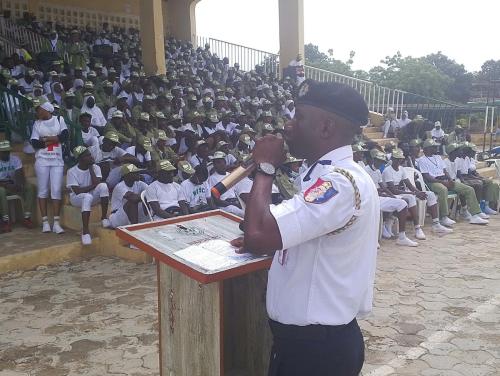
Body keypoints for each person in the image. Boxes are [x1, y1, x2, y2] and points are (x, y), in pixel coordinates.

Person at [230, 80, 379, 375]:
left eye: (298, 117)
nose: (287, 125)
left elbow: (259, 234)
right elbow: (307, 246)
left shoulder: (339, 183)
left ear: (325, 128)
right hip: (305, 346)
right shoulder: (322, 175)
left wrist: (266, 167)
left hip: (317, 353)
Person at [417, 139, 488, 226]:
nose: (436, 148)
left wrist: (450, 179)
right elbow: (427, 177)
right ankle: (444, 217)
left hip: (444, 179)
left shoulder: (438, 157)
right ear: (427, 148)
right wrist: (443, 182)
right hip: (433, 182)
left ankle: (475, 215)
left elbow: (445, 171)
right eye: (434, 147)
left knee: (468, 189)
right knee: (443, 189)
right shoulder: (422, 160)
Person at [383, 148, 452, 236]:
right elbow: (393, 190)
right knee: (411, 198)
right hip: (392, 193)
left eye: (400, 159)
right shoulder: (387, 170)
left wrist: (418, 192)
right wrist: (414, 193)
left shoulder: (401, 169)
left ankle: (436, 224)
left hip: (402, 192)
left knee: (430, 194)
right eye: (396, 159)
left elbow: (409, 185)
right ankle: (417, 228)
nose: (398, 161)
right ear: (392, 159)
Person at [365, 149, 418, 246]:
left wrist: (391, 196)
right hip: (370, 198)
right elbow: (367, 189)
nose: (380, 163)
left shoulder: (377, 171)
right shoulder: (365, 170)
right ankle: (373, 239)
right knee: (374, 210)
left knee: (402, 203)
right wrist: (382, 193)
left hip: (380, 196)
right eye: (378, 161)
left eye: (382, 162)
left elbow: (383, 187)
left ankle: (402, 237)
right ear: (373, 159)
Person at [30, 101, 67, 234]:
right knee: (43, 190)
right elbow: (34, 142)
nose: (37, 112)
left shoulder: (59, 119)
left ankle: (56, 223)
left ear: (46, 109)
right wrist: (50, 140)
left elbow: (64, 136)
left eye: (38, 109)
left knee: (56, 190)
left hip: (57, 160)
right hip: (42, 160)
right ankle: (45, 222)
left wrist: (48, 138)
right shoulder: (37, 123)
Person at [66, 146, 110, 245]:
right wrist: (93, 186)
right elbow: (77, 191)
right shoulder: (72, 171)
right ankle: (85, 232)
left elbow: (98, 184)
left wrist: (90, 168)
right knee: (87, 196)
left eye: (90, 154)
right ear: (80, 159)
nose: (91, 157)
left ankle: (104, 218)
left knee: (103, 186)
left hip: (91, 195)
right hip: (77, 199)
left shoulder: (95, 167)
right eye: (87, 156)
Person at [0, 140, 36, 232]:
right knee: (1, 190)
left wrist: (19, 184)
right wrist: (6, 185)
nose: (6, 154)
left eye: (7, 151)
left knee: (29, 187)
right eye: (4, 152)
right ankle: (5, 221)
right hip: (2, 186)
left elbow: (20, 174)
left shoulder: (15, 159)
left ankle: (26, 218)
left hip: (13, 184)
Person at [108, 164, 149, 228]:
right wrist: (144, 196)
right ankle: (134, 229)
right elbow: (133, 198)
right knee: (132, 202)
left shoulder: (140, 183)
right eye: (135, 173)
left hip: (129, 214)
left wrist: (147, 196)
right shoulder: (119, 186)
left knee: (149, 200)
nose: (139, 174)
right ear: (126, 175)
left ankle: (149, 222)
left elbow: (152, 192)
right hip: (116, 218)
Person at [208, 151, 244, 217]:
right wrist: (232, 204)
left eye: (219, 162)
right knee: (245, 215)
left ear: (224, 162)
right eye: (215, 163)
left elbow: (238, 192)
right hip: (225, 205)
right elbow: (216, 200)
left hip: (236, 202)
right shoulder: (212, 178)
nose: (216, 165)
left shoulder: (230, 175)